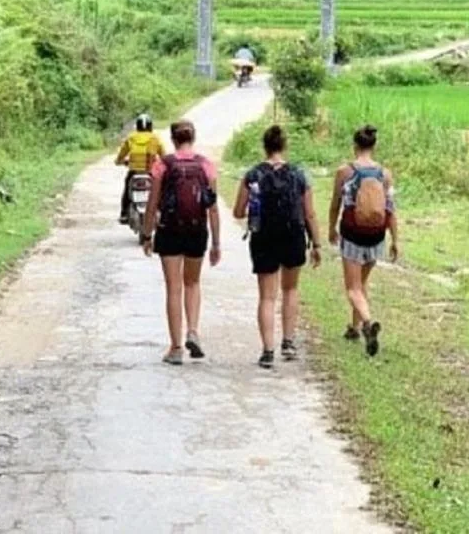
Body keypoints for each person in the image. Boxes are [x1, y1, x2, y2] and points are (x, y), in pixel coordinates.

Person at [232, 125, 321, 369]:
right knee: (290, 289)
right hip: (293, 235)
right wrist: (316, 243)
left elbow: (238, 211)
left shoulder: (252, 174)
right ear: (284, 145)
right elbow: (309, 214)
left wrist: (254, 211)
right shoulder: (299, 174)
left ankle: (268, 350)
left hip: (264, 237)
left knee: (267, 297)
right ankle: (289, 343)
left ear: (265, 146)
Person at [141, 120, 221, 365]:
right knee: (193, 283)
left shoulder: (162, 165)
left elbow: (152, 203)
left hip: (169, 230)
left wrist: (147, 234)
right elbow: (212, 208)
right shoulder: (206, 165)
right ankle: (193, 331)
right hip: (197, 230)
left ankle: (176, 348)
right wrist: (216, 243)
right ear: (192, 138)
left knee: (173, 287)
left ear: (173, 139)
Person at [328, 125, 399, 358]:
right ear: (374, 146)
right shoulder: (385, 174)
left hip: (352, 235)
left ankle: (367, 324)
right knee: (362, 284)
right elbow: (391, 210)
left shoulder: (344, 172)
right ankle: (354, 328)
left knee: (353, 288)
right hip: (376, 236)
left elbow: (335, 204)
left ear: (355, 146)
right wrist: (395, 240)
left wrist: (331, 228)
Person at [115, 114, 164, 224]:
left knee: (127, 190)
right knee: (159, 190)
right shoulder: (155, 138)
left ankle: (124, 214)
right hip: (150, 172)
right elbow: (164, 156)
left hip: (134, 171)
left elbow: (121, 155)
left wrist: (120, 161)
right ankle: (162, 212)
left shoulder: (131, 138)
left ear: (137, 126)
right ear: (150, 126)